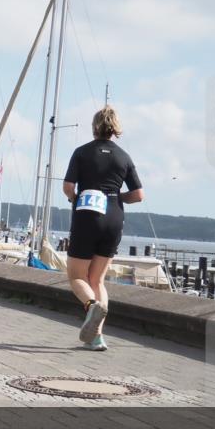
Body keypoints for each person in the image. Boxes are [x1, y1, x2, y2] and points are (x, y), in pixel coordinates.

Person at [62, 106, 143, 351]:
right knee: (97, 279)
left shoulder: (82, 153)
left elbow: (68, 187)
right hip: (114, 216)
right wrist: (116, 199)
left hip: (87, 213)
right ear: (115, 128)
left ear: (95, 126)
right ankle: (97, 337)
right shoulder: (124, 157)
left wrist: (74, 199)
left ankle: (91, 306)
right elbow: (139, 195)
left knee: (77, 276)